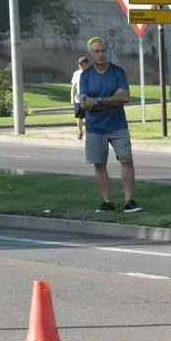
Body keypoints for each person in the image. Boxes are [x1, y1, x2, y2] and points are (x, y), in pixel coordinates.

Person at [78, 36, 142, 213]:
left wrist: (97, 101)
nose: (100, 54)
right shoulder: (86, 76)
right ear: (91, 54)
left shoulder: (117, 72)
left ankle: (129, 200)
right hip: (95, 127)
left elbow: (125, 97)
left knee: (126, 160)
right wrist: (112, 99)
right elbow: (84, 103)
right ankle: (107, 202)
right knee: (99, 164)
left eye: (103, 51)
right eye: (96, 51)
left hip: (117, 125)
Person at [70, 56, 89, 140]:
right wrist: (72, 98)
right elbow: (73, 87)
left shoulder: (91, 73)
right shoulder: (76, 73)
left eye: (81, 64)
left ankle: (90, 133)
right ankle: (80, 132)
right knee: (79, 117)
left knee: (89, 117)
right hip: (78, 99)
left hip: (89, 98)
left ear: (86, 64)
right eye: (79, 64)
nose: (80, 65)